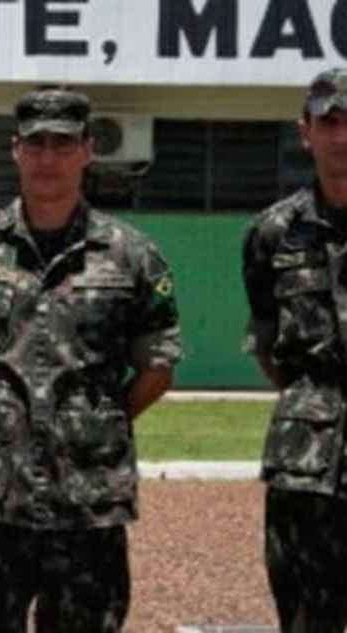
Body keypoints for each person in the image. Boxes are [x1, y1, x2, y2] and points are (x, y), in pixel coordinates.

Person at [0, 87, 182, 632]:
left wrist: (99, 419)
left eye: (63, 143)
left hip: (87, 499)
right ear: (16, 149)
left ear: (88, 150)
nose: (48, 157)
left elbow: (157, 365)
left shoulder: (132, 255)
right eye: (35, 143)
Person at [242, 67, 347, 633]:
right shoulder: (273, 233)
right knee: (306, 620)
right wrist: (316, 403)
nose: (342, 136)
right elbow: (269, 341)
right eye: (330, 121)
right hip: (306, 466)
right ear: (305, 131)